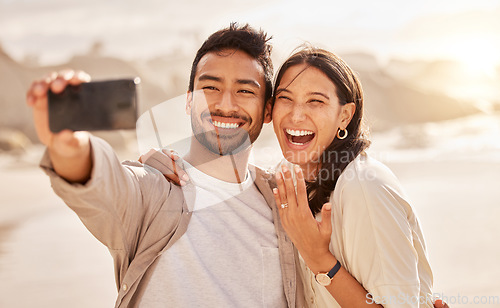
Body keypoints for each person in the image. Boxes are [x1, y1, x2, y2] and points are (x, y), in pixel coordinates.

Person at [26, 23, 305, 307]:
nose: (225, 104)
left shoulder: (286, 204)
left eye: (245, 91)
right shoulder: (154, 191)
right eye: (210, 87)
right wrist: (69, 146)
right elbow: (101, 182)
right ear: (188, 101)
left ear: (267, 109)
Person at [271, 47, 435, 307]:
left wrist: (319, 259)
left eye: (315, 101)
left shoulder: (365, 188)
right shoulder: (292, 178)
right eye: (285, 98)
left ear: (344, 116)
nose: (296, 115)